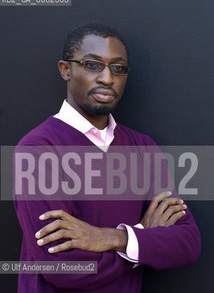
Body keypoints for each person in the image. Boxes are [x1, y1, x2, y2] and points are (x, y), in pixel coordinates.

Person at [13, 22, 201, 293]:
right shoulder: (38, 149)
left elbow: (187, 244)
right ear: (66, 70)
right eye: (92, 65)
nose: (107, 78)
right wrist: (142, 237)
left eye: (117, 68)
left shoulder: (142, 148)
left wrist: (111, 237)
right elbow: (63, 267)